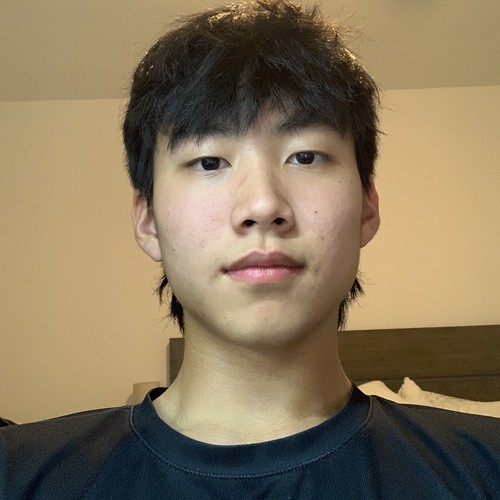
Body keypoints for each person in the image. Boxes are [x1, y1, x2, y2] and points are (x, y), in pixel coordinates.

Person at [1, 1, 499, 498]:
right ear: (148, 219)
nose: (262, 205)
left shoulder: (486, 468)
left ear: (367, 207)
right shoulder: (17, 473)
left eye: (306, 156)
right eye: (209, 161)